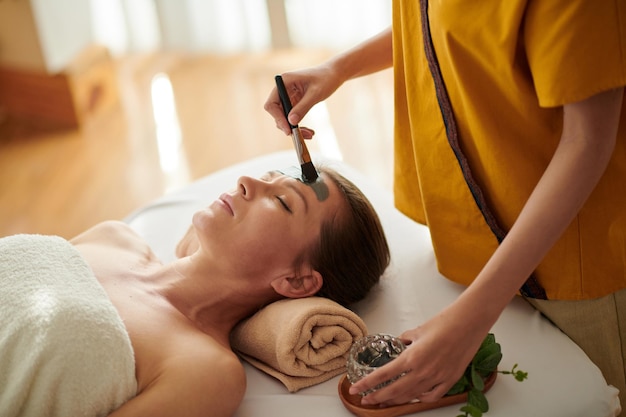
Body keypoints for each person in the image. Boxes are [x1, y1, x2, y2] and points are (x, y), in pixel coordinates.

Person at [264, 0, 626, 412]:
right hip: (471, 241)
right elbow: (436, 22)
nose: (248, 182)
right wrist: (339, 68)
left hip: (571, 256)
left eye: (284, 197)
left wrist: (470, 322)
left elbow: (588, 141)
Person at [8, 166, 390, 417]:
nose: (246, 181)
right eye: (267, 176)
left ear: (296, 281)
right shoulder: (114, 237)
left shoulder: (206, 371)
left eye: (281, 201)